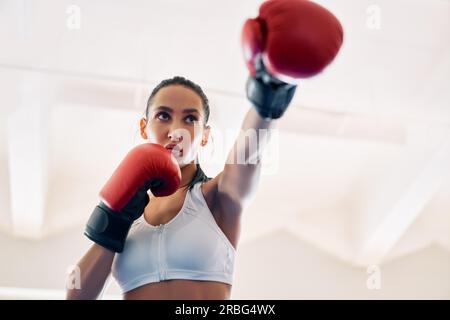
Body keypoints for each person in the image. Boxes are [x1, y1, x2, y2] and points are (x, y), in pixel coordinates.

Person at [66, 0, 343, 300]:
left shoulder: (218, 197)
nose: (176, 129)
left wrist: (268, 91)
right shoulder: (127, 213)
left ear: (205, 135)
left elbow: (248, 155)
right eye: (163, 115)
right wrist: (115, 219)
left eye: (190, 118)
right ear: (144, 127)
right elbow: (77, 297)